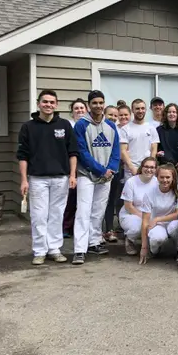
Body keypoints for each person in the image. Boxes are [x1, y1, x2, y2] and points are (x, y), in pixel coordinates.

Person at [17, 89, 77, 265]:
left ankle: (54, 249)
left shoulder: (65, 125)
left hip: (61, 178)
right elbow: (22, 156)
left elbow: (73, 152)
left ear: (56, 105)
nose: (48, 105)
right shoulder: (28, 127)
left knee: (57, 215)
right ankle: (40, 251)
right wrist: (24, 180)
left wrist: (72, 175)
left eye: (52, 102)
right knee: (39, 216)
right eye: (45, 102)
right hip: (37, 178)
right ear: (38, 104)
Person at [72, 90, 121, 265]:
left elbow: (116, 150)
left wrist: (111, 169)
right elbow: (82, 152)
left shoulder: (111, 126)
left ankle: (93, 242)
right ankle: (79, 249)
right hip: (86, 174)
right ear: (89, 105)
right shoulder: (81, 125)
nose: (98, 106)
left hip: (106, 176)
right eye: (94, 103)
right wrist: (100, 170)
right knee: (83, 211)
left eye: (101, 103)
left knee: (98, 210)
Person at [138, 164, 178, 264]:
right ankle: (153, 251)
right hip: (157, 225)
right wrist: (144, 247)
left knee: (175, 227)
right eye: (162, 177)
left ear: (173, 177)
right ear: (157, 177)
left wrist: (157, 219)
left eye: (168, 177)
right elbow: (145, 221)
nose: (165, 180)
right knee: (157, 238)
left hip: (172, 221)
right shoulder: (149, 193)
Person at [119, 157, 158, 255]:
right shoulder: (131, 182)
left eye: (152, 167)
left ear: (156, 169)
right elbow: (128, 206)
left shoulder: (158, 182)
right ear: (142, 167)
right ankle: (130, 239)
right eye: (146, 167)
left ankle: (152, 244)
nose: (149, 170)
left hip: (151, 214)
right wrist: (145, 217)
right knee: (137, 227)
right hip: (131, 214)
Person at [62, 98, 88, 238]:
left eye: (82, 108)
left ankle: (81, 227)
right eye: (76, 108)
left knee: (84, 199)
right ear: (72, 112)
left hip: (87, 166)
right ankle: (67, 226)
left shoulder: (89, 125)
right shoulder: (68, 126)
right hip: (71, 165)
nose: (79, 110)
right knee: (70, 198)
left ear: (86, 110)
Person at [120, 99, 159, 180]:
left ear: (146, 109)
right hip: (131, 171)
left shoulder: (151, 128)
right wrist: (132, 169)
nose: (140, 111)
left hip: (148, 170)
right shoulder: (125, 129)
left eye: (142, 108)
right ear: (132, 110)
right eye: (137, 108)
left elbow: (154, 149)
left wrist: (151, 167)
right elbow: (123, 151)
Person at [103, 105, 122, 242]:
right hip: (101, 170)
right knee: (100, 202)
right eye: (110, 114)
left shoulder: (121, 130)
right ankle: (99, 231)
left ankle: (110, 229)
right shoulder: (100, 128)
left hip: (116, 169)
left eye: (116, 115)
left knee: (112, 200)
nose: (113, 118)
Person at [156, 103, 178, 184]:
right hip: (164, 167)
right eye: (169, 112)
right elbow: (157, 147)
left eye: (174, 112)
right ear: (165, 114)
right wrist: (158, 153)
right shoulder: (159, 130)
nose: (171, 114)